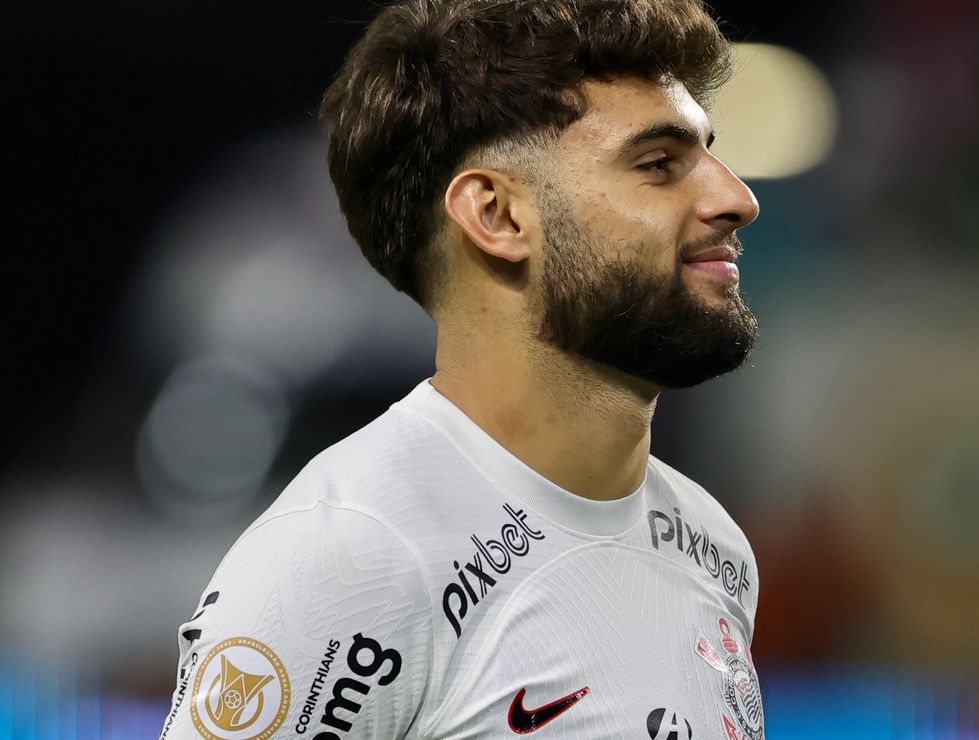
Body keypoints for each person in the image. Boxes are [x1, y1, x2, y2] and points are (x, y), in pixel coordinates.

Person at [159, 0, 765, 737]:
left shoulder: (714, 546)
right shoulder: (352, 556)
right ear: (497, 216)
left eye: (709, 154)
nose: (737, 198)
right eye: (659, 164)